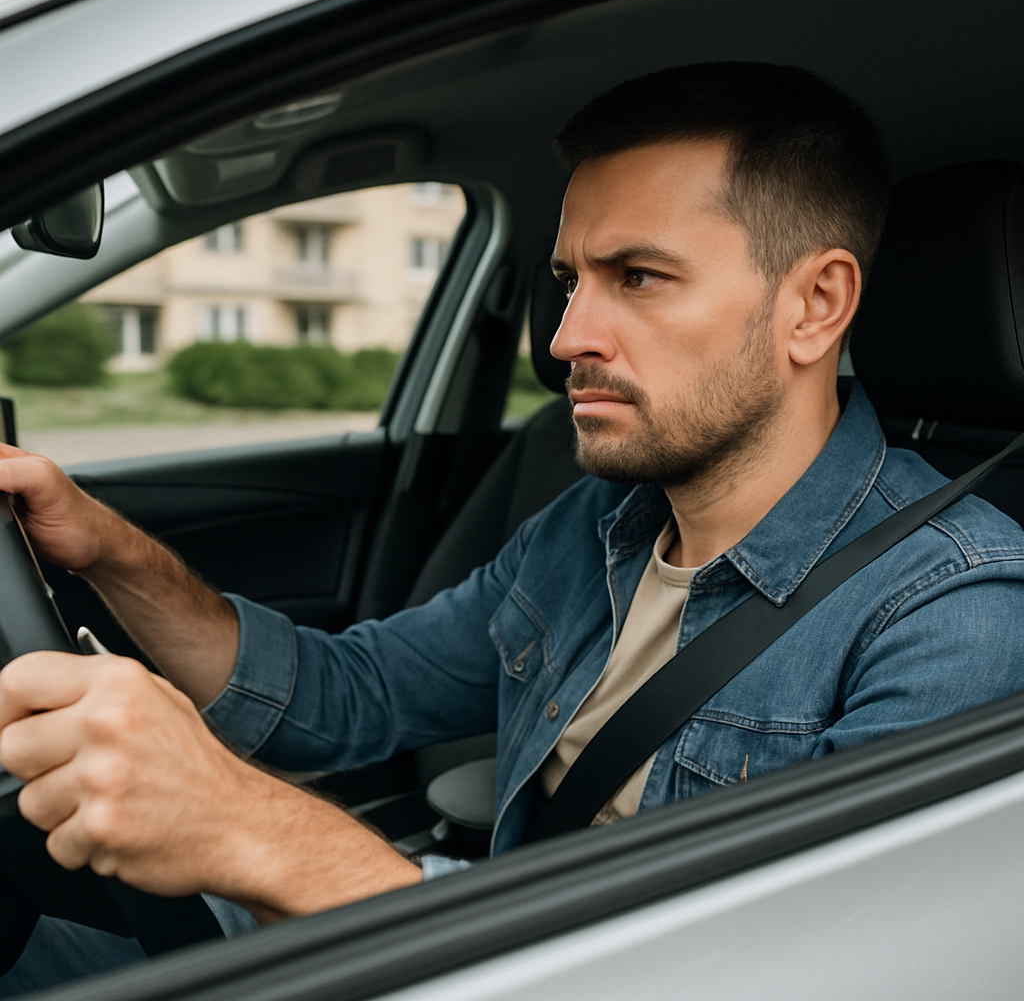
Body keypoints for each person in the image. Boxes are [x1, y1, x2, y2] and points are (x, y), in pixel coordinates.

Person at [2, 61, 1024, 991]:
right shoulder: (595, 526)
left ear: (815, 305)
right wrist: (104, 546)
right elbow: (335, 696)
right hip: (472, 929)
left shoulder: (950, 613)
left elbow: (793, 979)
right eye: (570, 281)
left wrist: (256, 831)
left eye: (638, 276)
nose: (568, 334)